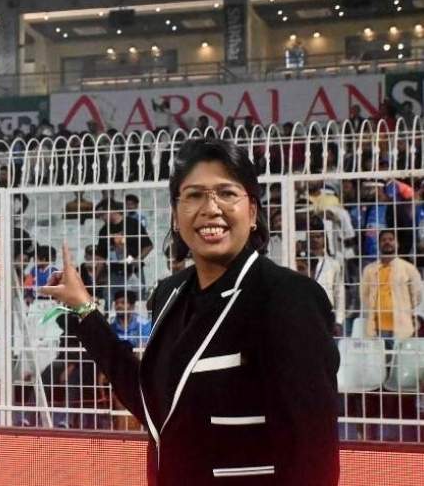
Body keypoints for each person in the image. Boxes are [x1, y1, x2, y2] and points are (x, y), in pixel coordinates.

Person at [41, 137, 340, 486]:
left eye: (227, 193)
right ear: (175, 213)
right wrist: (84, 309)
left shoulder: (288, 296)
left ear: (253, 211)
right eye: (194, 195)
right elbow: (151, 405)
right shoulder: (169, 294)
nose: (210, 208)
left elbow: (313, 450)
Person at [360, 230, 423, 342]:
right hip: (376, 329)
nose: (387, 242)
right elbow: (364, 296)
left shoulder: (408, 269)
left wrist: (410, 314)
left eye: (390, 239)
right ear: (378, 244)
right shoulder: (369, 270)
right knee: (377, 359)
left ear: (397, 244)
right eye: (383, 240)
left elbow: (418, 296)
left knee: (401, 359)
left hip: (402, 329)